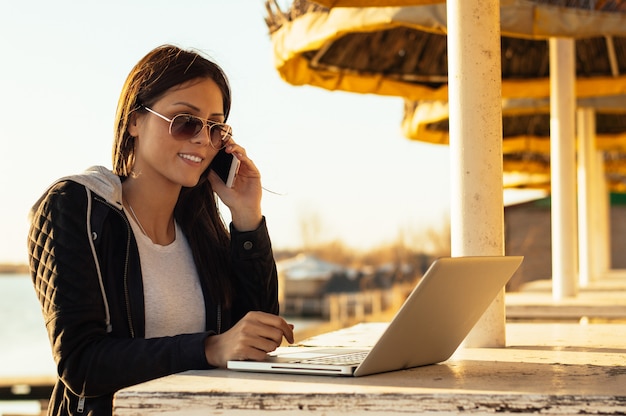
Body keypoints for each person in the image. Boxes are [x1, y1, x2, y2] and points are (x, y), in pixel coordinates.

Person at [27, 44, 294, 416]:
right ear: (135, 120)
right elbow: (81, 362)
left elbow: (256, 341)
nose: (202, 139)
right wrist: (208, 348)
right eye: (185, 121)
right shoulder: (76, 206)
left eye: (215, 127)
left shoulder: (203, 230)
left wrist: (247, 218)